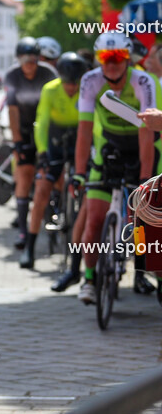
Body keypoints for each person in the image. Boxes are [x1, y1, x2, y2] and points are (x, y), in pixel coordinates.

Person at [74, 31, 159, 303]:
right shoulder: (90, 81)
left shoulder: (143, 81)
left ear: (128, 58)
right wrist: (79, 172)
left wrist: (144, 178)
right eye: (105, 58)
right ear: (98, 59)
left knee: (147, 221)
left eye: (118, 57)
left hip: (142, 147)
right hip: (110, 148)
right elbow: (84, 130)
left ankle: (154, 272)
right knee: (94, 219)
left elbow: (147, 130)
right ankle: (89, 278)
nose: (111, 63)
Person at [24, 52, 87, 271]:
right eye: (67, 83)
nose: (71, 88)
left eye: (75, 83)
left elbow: (96, 123)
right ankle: (30, 247)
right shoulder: (50, 89)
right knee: (42, 190)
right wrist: (42, 152)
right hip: (55, 142)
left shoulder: (88, 90)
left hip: (79, 140)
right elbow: (41, 122)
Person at [4, 37, 58, 250]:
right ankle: (22, 230)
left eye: (33, 59)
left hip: (47, 128)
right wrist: (17, 141)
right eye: (25, 59)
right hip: (25, 129)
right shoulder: (12, 76)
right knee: (24, 175)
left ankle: (57, 209)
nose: (29, 64)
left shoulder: (48, 73)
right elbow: (12, 110)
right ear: (18, 59)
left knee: (54, 173)